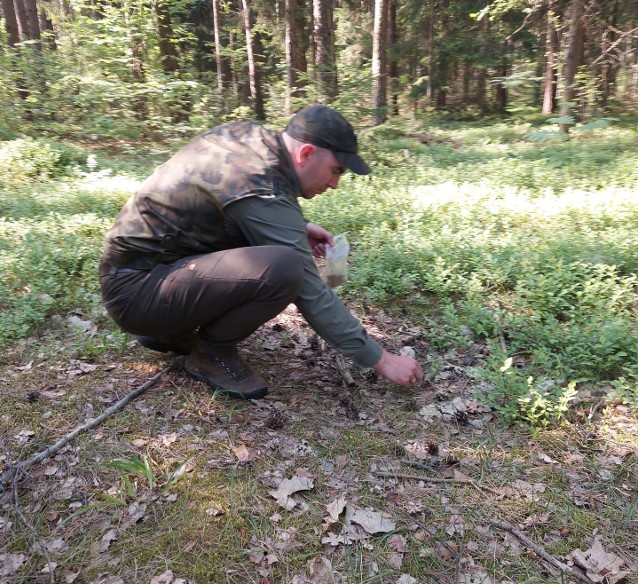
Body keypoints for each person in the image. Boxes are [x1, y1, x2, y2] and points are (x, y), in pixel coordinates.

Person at [99, 105, 423, 399]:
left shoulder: (250, 142)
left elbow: (223, 204)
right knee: (285, 268)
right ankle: (210, 354)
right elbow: (310, 290)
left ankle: (171, 332)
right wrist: (381, 359)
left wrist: (298, 227)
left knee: (278, 254)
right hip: (137, 294)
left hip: (145, 277)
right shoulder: (260, 181)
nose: (335, 183)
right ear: (306, 153)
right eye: (336, 170)